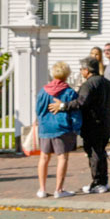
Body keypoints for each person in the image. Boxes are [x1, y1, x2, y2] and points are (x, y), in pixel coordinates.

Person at [50, 56, 110, 193]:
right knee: (101, 152)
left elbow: (81, 102)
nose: (81, 71)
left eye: (81, 69)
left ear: (87, 70)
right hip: (106, 123)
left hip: (93, 124)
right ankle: (103, 181)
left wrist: (62, 106)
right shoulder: (108, 84)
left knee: (94, 153)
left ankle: (98, 182)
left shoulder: (89, 84)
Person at [36, 61, 81, 198]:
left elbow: (38, 110)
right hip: (62, 128)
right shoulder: (69, 92)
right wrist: (76, 128)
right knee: (62, 157)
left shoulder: (43, 91)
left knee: (44, 157)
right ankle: (59, 189)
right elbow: (75, 113)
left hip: (45, 127)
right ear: (67, 74)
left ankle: (42, 189)